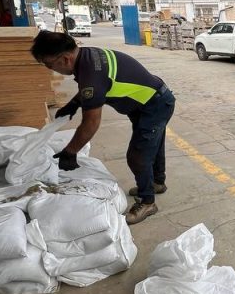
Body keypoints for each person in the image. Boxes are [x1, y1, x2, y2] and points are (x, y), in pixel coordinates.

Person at [30, 31, 176, 225]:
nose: (50, 69)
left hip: (155, 106)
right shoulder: (86, 57)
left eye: (49, 65)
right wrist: (74, 103)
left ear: (65, 59)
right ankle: (157, 183)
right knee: (152, 146)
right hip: (146, 104)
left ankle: (147, 202)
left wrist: (70, 151)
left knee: (138, 156)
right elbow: (92, 86)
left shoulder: (90, 73)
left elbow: (91, 122)